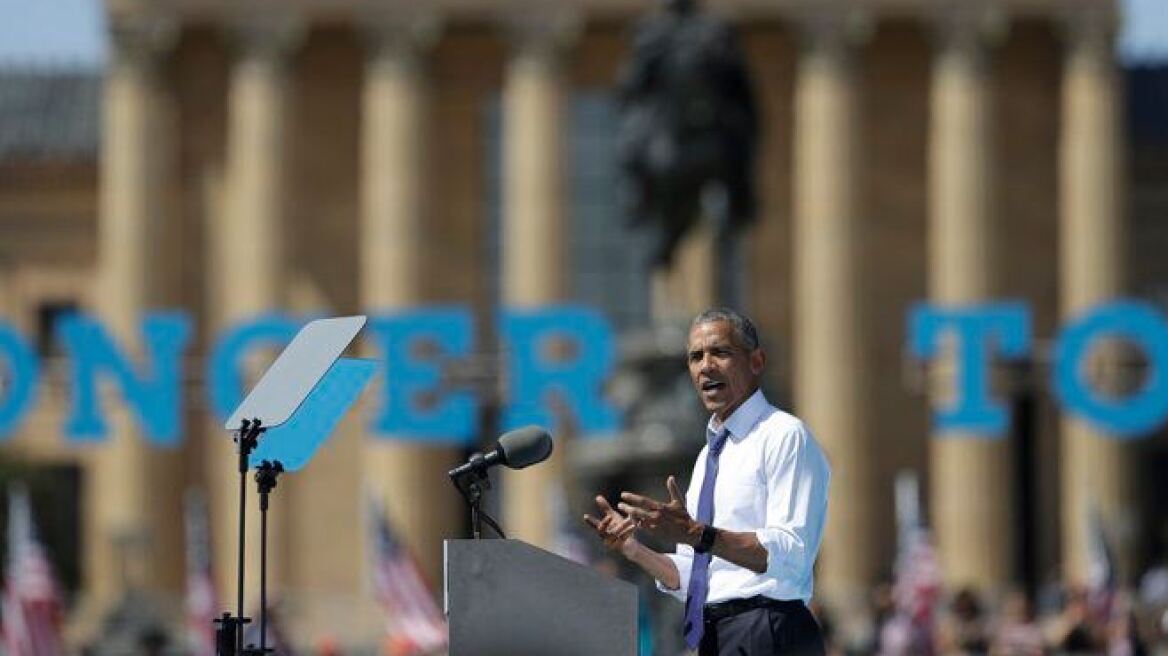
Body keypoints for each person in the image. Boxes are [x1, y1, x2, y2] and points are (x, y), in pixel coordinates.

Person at [583, 308, 831, 655]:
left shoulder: (784, 436)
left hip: (767, 630)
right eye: (696, 357)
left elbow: (789, 553)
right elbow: (694, 575)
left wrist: (700, 534)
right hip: (714, 633)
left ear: (756, 361)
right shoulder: (708, 456)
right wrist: (634, 549)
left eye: (721, 352)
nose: (706, 366)